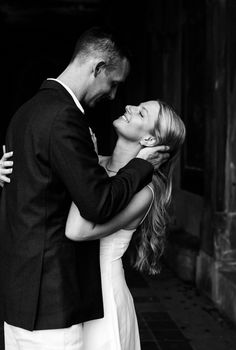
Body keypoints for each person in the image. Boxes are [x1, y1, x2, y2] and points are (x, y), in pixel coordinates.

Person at [0, 27, 168, 350]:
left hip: (23, 299)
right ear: (97, 69)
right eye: (114, 83)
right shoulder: (64, 118)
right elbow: (95, 203)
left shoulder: (26, 113)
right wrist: (143, 165)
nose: (115, 97)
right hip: (50, 304)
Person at [65, 99, 186, 350]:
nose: (129, 107)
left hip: (103, 297)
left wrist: (86, 162)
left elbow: (78, 230)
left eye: (141, 113)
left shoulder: (145, 191)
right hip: (69, 289)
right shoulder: (95, 161)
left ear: (150, 141)